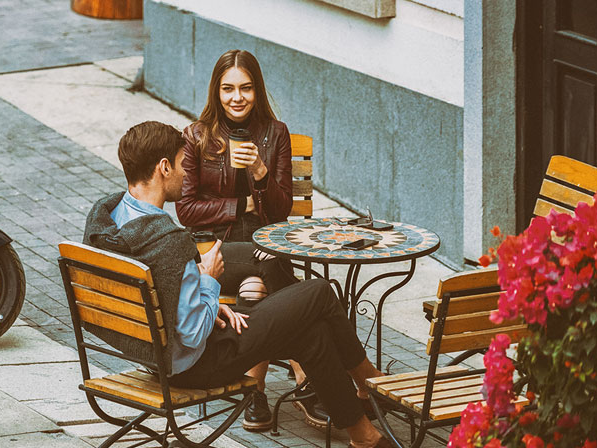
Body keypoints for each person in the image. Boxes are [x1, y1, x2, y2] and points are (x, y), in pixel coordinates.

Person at [83, 121, 389, 448]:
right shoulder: (168, 242)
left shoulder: (109, 220)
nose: (187, 173)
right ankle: (370, 383)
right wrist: (209, 283)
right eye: (183, 164)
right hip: (199, 364)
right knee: (319, 293)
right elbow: (191, 333)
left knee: (312, 333)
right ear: (164, 167)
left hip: (156, 357)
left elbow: (167, 302)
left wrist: (209, 303)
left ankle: (364, 435)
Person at [175, 48, 321, 430]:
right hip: (216, 252)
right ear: (216, 91)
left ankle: (253, 393)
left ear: (257, 91)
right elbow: (186, 210)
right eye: (227, 89)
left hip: (266, 247)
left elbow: (281, 211)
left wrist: (259, 170)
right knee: (276, 271)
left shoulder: (276, 134)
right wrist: (241, 206)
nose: (236, 97)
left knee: (256, 285)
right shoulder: (196, 137)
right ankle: (308, 375)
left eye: (246, 88)